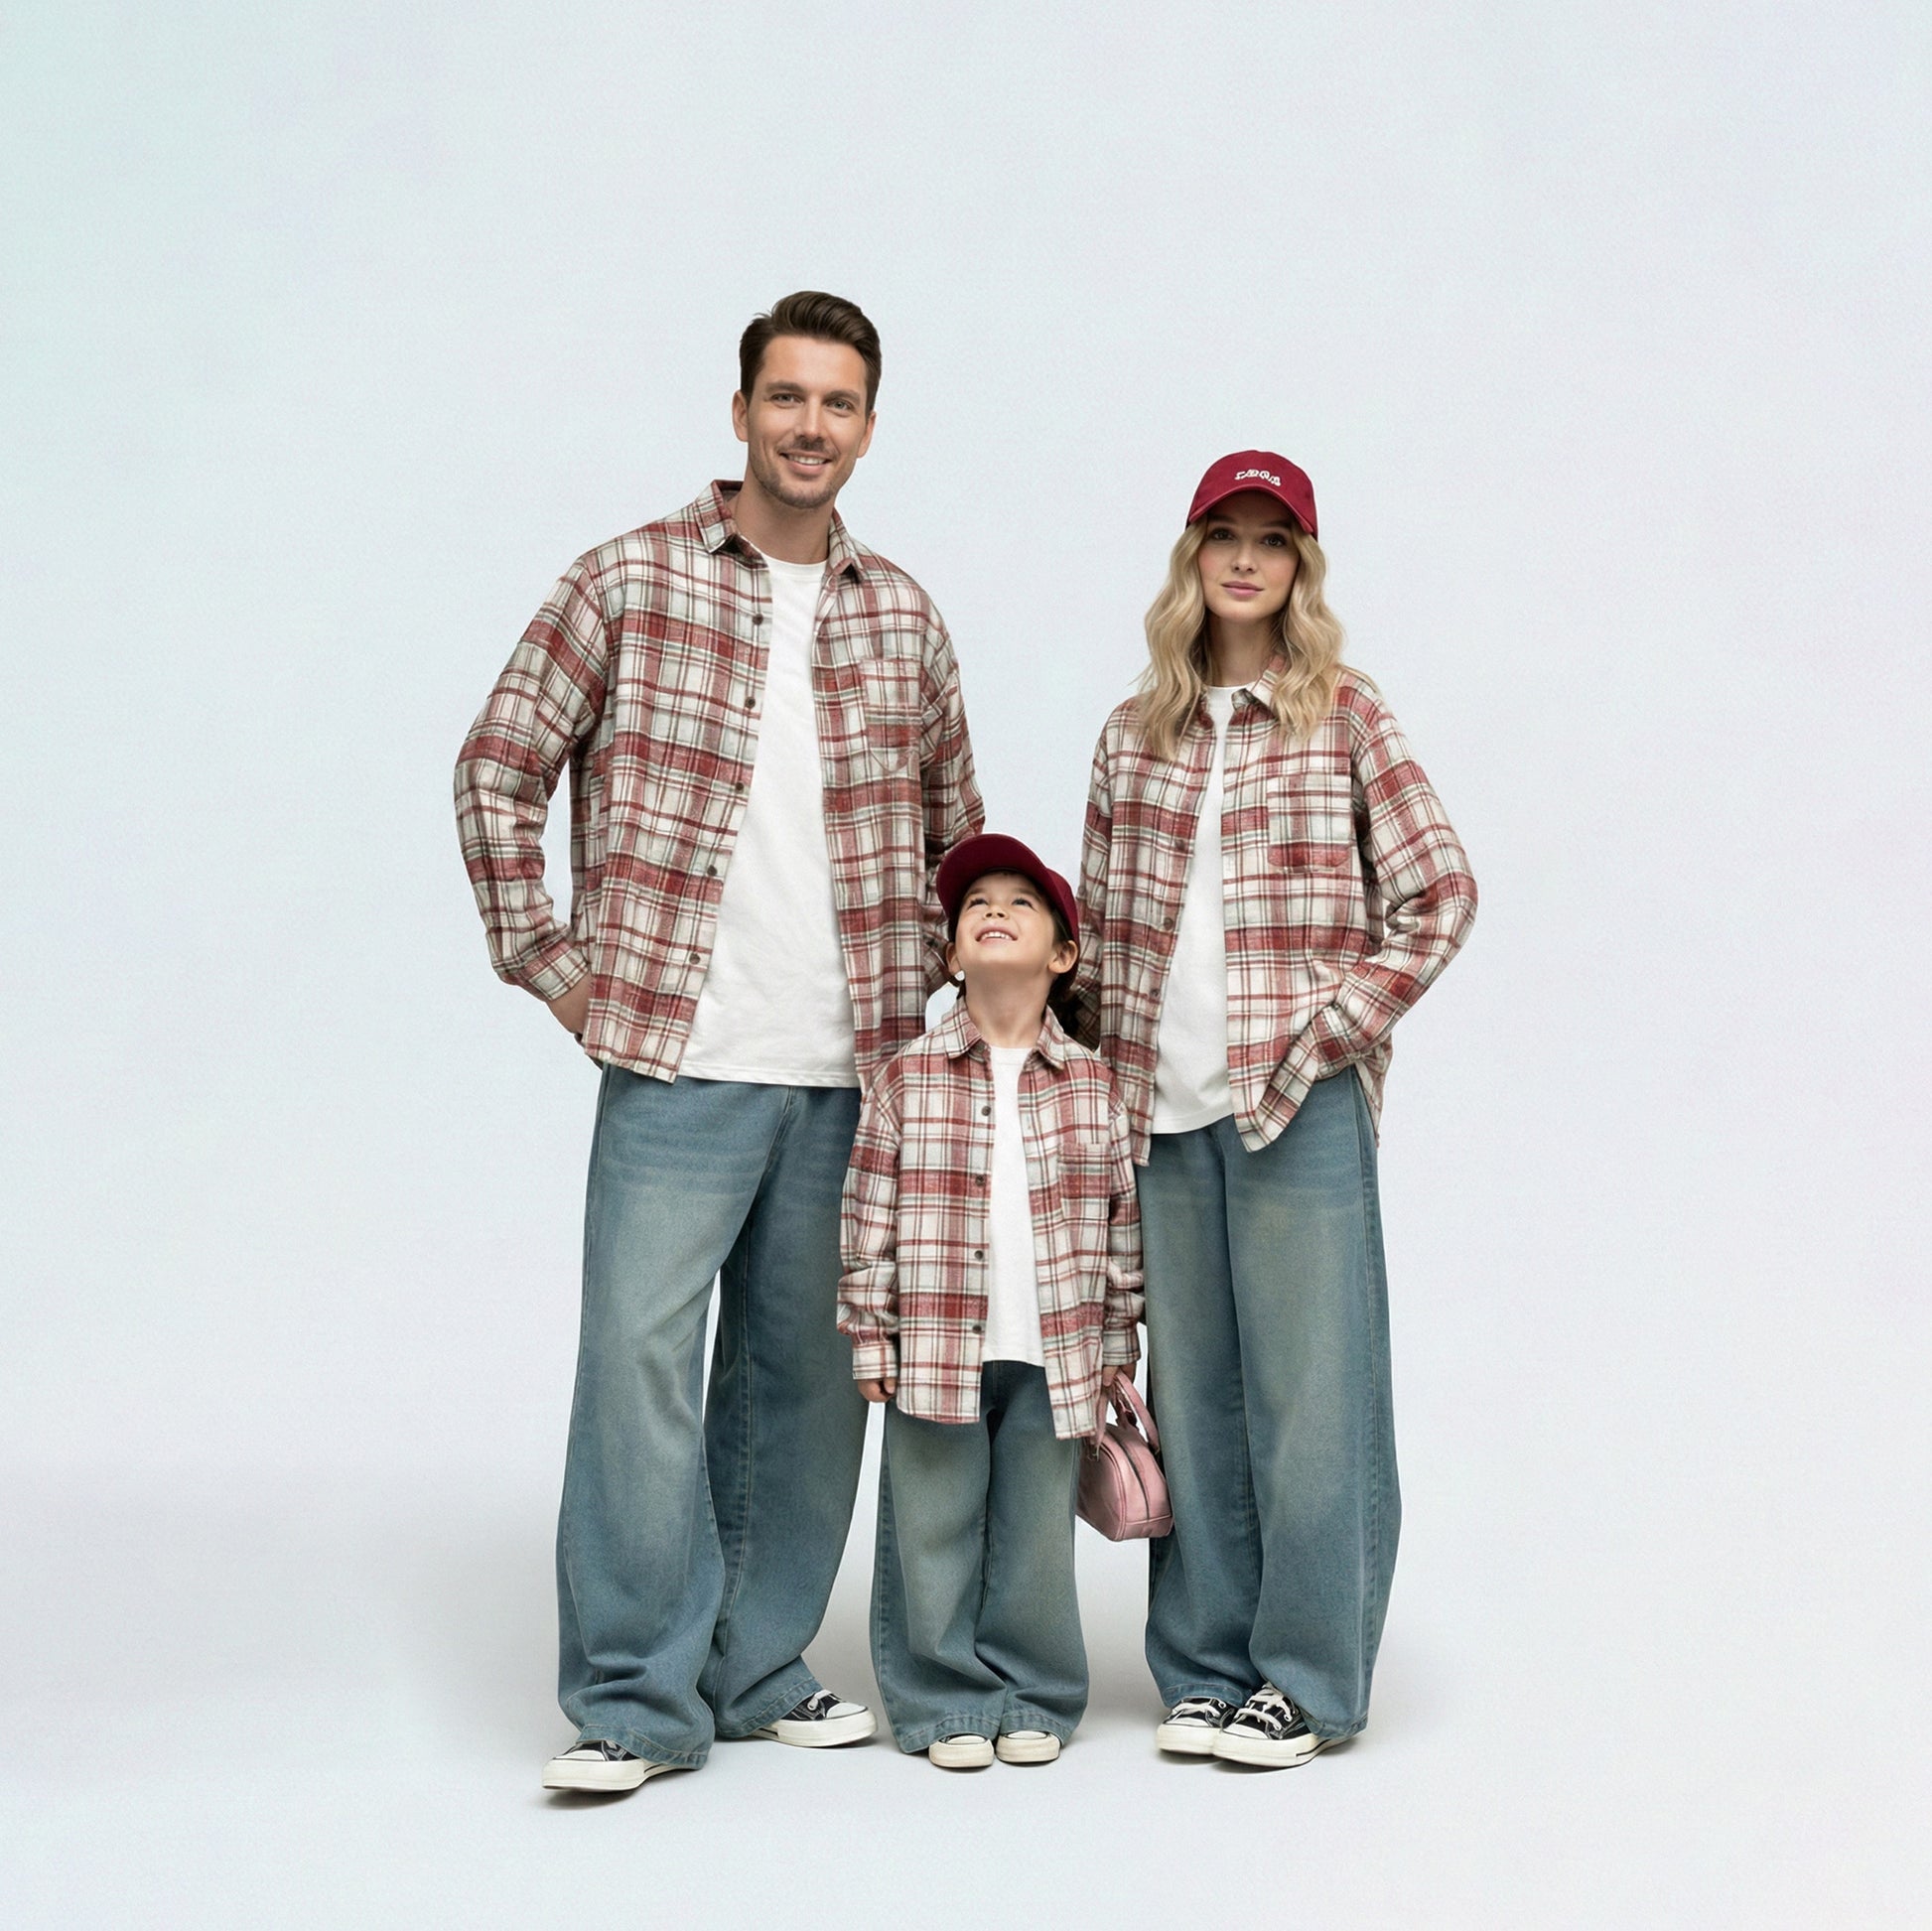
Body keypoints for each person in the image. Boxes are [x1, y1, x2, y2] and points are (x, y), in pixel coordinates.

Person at [454, 292, 983, 1792]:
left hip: (855, 1067)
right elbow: (499, 762)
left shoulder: (905, 614)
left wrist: (947, 1031)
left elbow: (959, 837)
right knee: (639, 1367)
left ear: (868, 426)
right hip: (680, 1054)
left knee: (809, 1381)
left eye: (839, 404)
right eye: (787, 398)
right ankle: (630, 1697)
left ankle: (753, 1666)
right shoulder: (627, 579)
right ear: (741, 409)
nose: (811, 427)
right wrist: (553, 964)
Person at [1070, 451, 1477, 1768]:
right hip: (1160, 1114)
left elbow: (1439, 894)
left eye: (1270, 538)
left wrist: (1324, 1034)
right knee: (1196, 1400)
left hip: (1286, 1109)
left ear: (1299, 565)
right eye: (1221, 535)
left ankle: (1306, 1677)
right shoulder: (1132, 737)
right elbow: (1091, 950)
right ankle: (1202, 1666)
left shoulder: (1343, 717)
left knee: (1314, 1400)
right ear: (1190, 555)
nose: (1244, 558)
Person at [839, 834, 1144, 1769]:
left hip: (1057, 1353)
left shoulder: (1093, 1086)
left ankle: (1036, 1692)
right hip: (934, 1347)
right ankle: (942, 1701)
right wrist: (868, 1335)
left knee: (1035, 1537)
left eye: (1020, 901)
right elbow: (867, 1213)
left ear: (1062, 954)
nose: (994, 910)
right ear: (951, 952)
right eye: (976, 905)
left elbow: (1121, 1223)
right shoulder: (907, 1077)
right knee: (931, 1526)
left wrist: (1116, 1346)